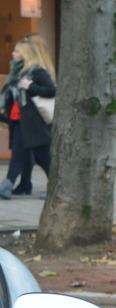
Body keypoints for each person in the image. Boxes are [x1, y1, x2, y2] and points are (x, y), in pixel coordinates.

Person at [0, 33, 55, 200]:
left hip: (34, 121)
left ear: (25, 54)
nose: (13, 54)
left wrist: (31, 86)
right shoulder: (17, 72)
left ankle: (57, 188)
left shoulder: (37, 72)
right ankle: (7, 185)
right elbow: (10, 94)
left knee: (42, 156)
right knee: (18, 153)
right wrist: (4, 108)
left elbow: (51, 90)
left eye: (17, 52)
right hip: (18, 119)